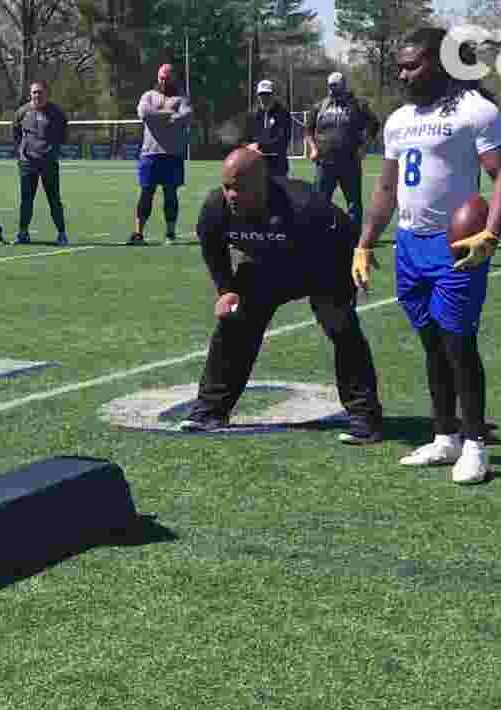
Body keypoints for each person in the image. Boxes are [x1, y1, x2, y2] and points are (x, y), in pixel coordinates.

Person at [353, 28, 501, 485]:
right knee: (431, 343)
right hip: (410, 244)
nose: (403, 74)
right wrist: (365, 241)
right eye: (401, 67)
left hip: (457, 245)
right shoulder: (399, 120)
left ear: (442, 63)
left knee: (458, 343)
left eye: (413, 65)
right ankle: (444, 435)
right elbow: (387, 188)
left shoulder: (475, 111)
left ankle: (475, 444)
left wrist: (491, 234)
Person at [179, 148, 383, 444]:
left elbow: (346, 238)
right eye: (227, 186)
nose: (231, 194)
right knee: (234, 324)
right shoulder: (215, 208)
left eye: (239, 187)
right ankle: (210, 411)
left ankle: (365, 417)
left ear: (262, 183)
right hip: (266, 266)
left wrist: (349, 279)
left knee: (341, 327)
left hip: (322, 265)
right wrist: (226, 290)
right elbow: (213, 250)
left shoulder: (305, 205)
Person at [305, 72, 379, 229]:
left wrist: (364, 148)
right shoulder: (320, 106)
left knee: (353, 203)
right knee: (320, 201)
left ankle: (354, 236)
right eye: (330, 86)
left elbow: (374, 125)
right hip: (324, 163)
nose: (332, 90)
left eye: (336, 86)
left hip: (350, 162)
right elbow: (308, 130)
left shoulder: (358, 105)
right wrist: (313, 148)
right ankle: (320, 232)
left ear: (344, 85)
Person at [129, 63, 192, 245]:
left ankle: (170, 234)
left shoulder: (182, 98)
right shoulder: (148, 95)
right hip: (150, 154)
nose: (164, 81)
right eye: (161, 78)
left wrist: (158, 115)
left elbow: (186, 116)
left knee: (170, 194)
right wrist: (169, 114)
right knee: (146, 194)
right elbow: (144, 113)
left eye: (167, 78)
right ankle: (138, 234)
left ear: (174, 78)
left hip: (172, 155)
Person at [12, 80, 69, 245]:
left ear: (46, 94)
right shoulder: (22, 112)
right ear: (30, 94)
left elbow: (64, 133)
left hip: (48, 163)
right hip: (27, 163)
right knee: (26, 200)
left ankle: (61, 234)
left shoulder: (56, 112)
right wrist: (21, 151)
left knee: (54, 200)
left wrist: (53, 150)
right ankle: (23, 233)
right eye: (34, 92)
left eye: (40, 92)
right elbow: (15, 132)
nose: (37, 95)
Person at [241, 79, 292, 177]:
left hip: (277, 165)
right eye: (262, 94)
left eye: (267, 94)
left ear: (273, 94)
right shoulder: (252, 114)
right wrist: (248, 146)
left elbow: (283, 140)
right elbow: (245, 138)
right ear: (258, 95)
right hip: (255, 166)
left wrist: (259, 145)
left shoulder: (283, 114)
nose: (264, 98)